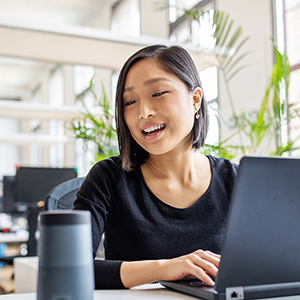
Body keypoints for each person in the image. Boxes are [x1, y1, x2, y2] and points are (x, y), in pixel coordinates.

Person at [73, 44, 238, 289]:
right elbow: (70, 267)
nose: (143, 112)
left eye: (158, 93)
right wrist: (164, 268)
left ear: (195, 100)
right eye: (129, 101)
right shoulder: (107, 179)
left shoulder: (236, 180)